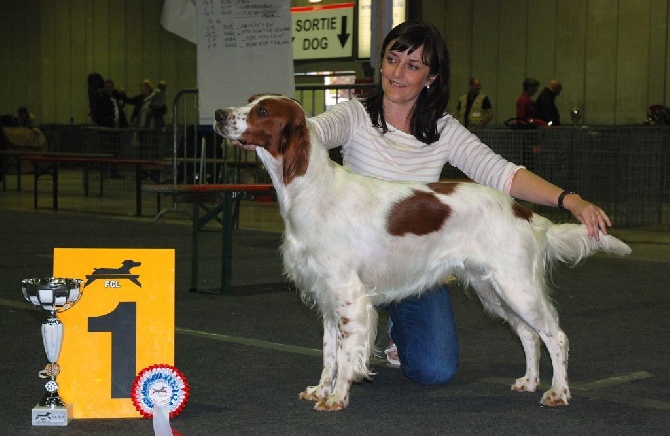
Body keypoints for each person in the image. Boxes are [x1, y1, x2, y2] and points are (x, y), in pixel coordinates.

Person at [309, 20, 611, 385]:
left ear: (431, 78)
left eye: (413, 65)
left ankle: (395, 332)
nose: (398, 73)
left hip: (418, 265)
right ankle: (366, 324)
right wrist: (279, 120)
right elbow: (315, 132)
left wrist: (571, 201)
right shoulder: (355, 116)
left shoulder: (443, 129)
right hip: (361, 260)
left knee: (434, 370)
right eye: (392, 60)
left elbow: (504, 174)